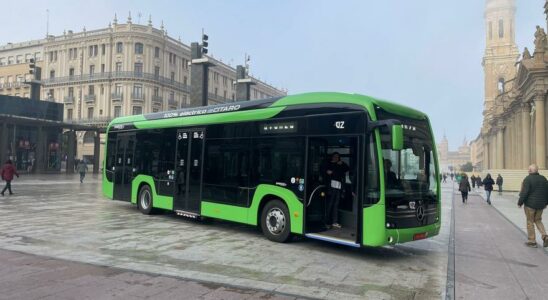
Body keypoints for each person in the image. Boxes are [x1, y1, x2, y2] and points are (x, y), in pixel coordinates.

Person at [518, 164, 548, 248]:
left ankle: (532, 241)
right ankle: (545, 236)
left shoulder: (527, 179)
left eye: (529, 169)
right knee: (538, 220)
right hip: (541, 205)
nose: (528, 171)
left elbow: (524, 192)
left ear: (530, 171)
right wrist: (546, 203)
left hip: (530, 205)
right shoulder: (544, 179)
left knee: (530, 222)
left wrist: (520, 203)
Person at [325, 152, 349, 229]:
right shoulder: (329, 164)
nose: (336, 158)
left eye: (337, 157)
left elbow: (347, 168)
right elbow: (326, 172)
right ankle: (327, 221)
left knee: (336, 204)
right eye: (335, 157)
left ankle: (335, 222)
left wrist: (342, 163)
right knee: (330, 204)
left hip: (338, 186)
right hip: (331, 186)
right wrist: (334, 166)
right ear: (332, 157)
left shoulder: (340, 165)